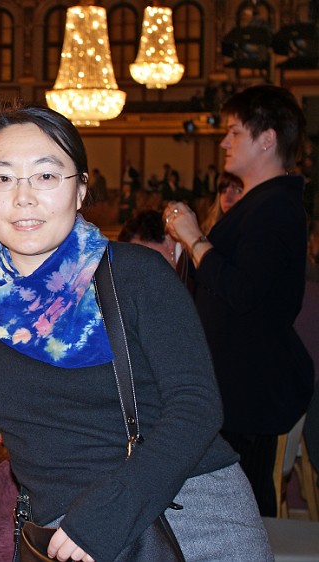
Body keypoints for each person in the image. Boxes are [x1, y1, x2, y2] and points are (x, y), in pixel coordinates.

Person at [0, 104, 271, 561]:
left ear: (82, 189)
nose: (22, 198)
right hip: (61, 527)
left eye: (46, 176)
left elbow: (197, 406)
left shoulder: (138, 275)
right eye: (2, 178)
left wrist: (109, 513)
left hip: (186, 506)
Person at [164, 84, 315, 517]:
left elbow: (244, 293)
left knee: (243, 515)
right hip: (238, 388)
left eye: (234, 132)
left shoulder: (274, 208)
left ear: (267, 139)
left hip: (250, 391)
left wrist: (193, 237)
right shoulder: (261, 204)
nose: (224, 141)